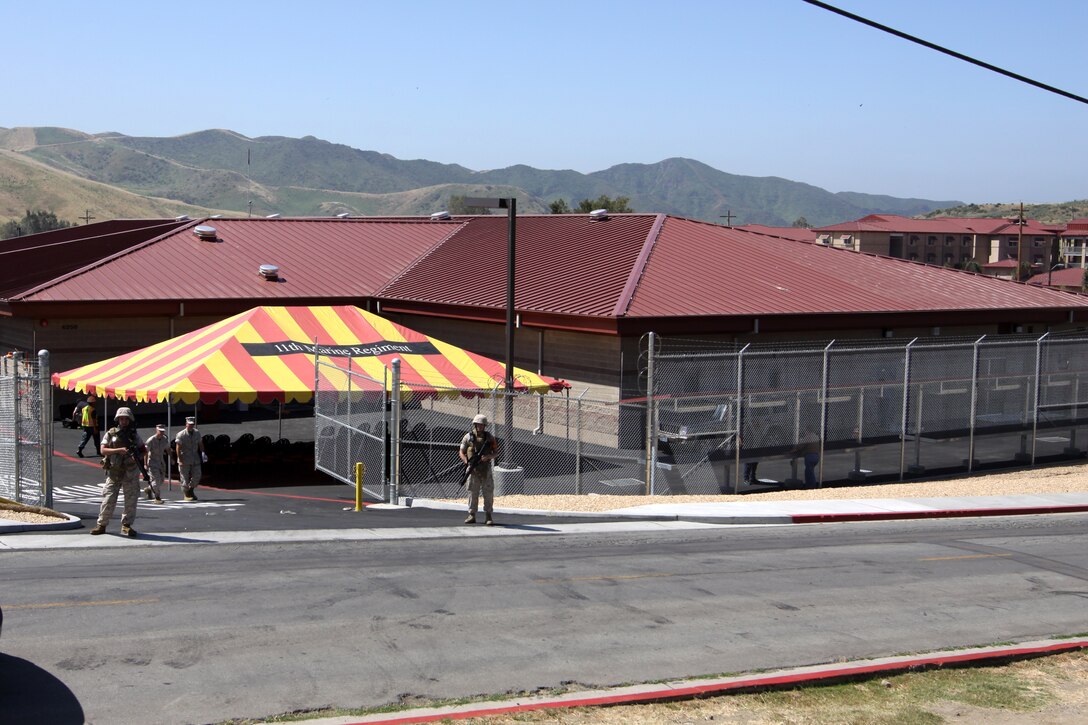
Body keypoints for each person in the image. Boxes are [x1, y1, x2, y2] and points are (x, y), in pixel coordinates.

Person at [90, 407, 144, 537]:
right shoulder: (111, 433)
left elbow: (143, 450)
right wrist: (119, 450)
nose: (124, 421)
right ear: (118, 420)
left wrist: (137, 457)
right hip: (114, 472)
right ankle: (102, 525)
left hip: (130, 471)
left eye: (126, 419)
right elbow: (103, 450)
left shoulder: (134, 435)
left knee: (131, 500)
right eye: (121, 419)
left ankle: (126, 525)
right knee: (108, 498)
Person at [459, 413, 499, 525]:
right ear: (475, 425)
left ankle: (488, 515)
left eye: (481, 425)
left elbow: (496, 453)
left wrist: (488, 457)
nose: (479, 426)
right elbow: (461, 452)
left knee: (488, 492)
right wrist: (466, 462)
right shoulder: (468, 437)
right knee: (472, 492)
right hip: (472, 469)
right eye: (477, 424)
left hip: (485, 469)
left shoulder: (490, 438)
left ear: (484, 426)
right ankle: (472, 514)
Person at [175, 416, 206, 501]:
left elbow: (200, 443)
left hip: (195, 458)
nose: (191, 426)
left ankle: (191, 490)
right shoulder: (181, 434)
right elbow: (178, 448)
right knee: (184, 478)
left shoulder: (197, 433)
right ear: (186, 424)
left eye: (192, 424)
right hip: (184, 458)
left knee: (197, 475)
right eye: (189, 424)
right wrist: (180, 459)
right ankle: (186, 494)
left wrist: (203, 452)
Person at [144, 424, 170, 504]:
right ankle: (157, 497)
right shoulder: (151, 440)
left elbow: (168, 448)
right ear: (156, 430)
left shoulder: (164, 439)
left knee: (161, 480)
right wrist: (145, 464)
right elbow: (146, 452)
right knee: (156, 480)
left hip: (161, 462)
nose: (161, 433)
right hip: (153, 462)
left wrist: (171, 457)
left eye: (163, 431)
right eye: (160, 431)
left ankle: (149, 489)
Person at [74, 394, 101, 458]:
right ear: (93, 403)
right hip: (92, 426)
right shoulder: (93, 410)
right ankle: (98, 451)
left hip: (86, 425)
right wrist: (95, 428)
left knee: (85, 439)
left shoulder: (84, 409)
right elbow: (94, 420)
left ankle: (80, 449)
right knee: (96, 439)